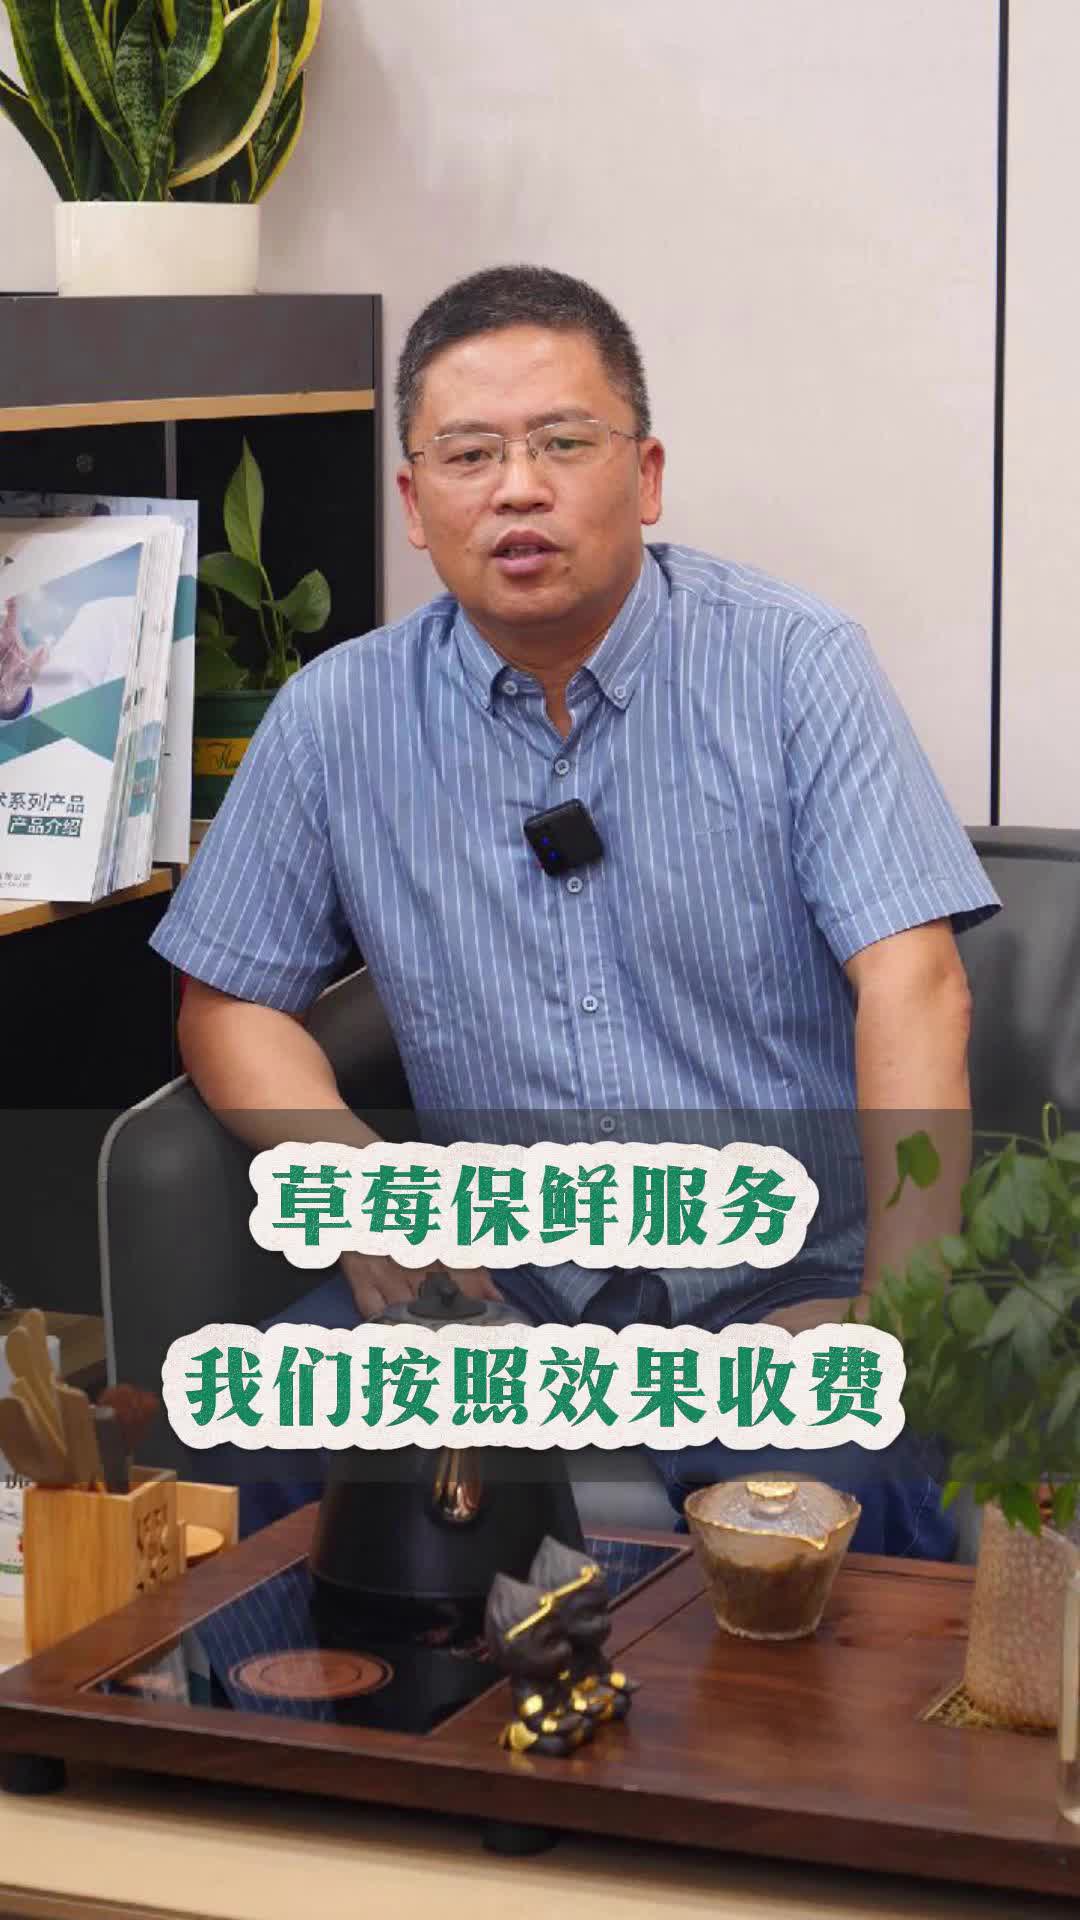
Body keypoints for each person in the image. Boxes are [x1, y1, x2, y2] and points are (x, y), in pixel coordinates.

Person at [150, 264, 1000, 1556]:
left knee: (854, 1483)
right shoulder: (338, 717)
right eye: (470, 455)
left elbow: (916, 986)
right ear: (414, 505)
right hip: (502, 1283)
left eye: (562, 443)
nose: (517, 489)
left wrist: (896, 1317)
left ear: (645, 476)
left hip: (785, 1284)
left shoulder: (793, 665)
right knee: (258, 1434)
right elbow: (227, 1002)